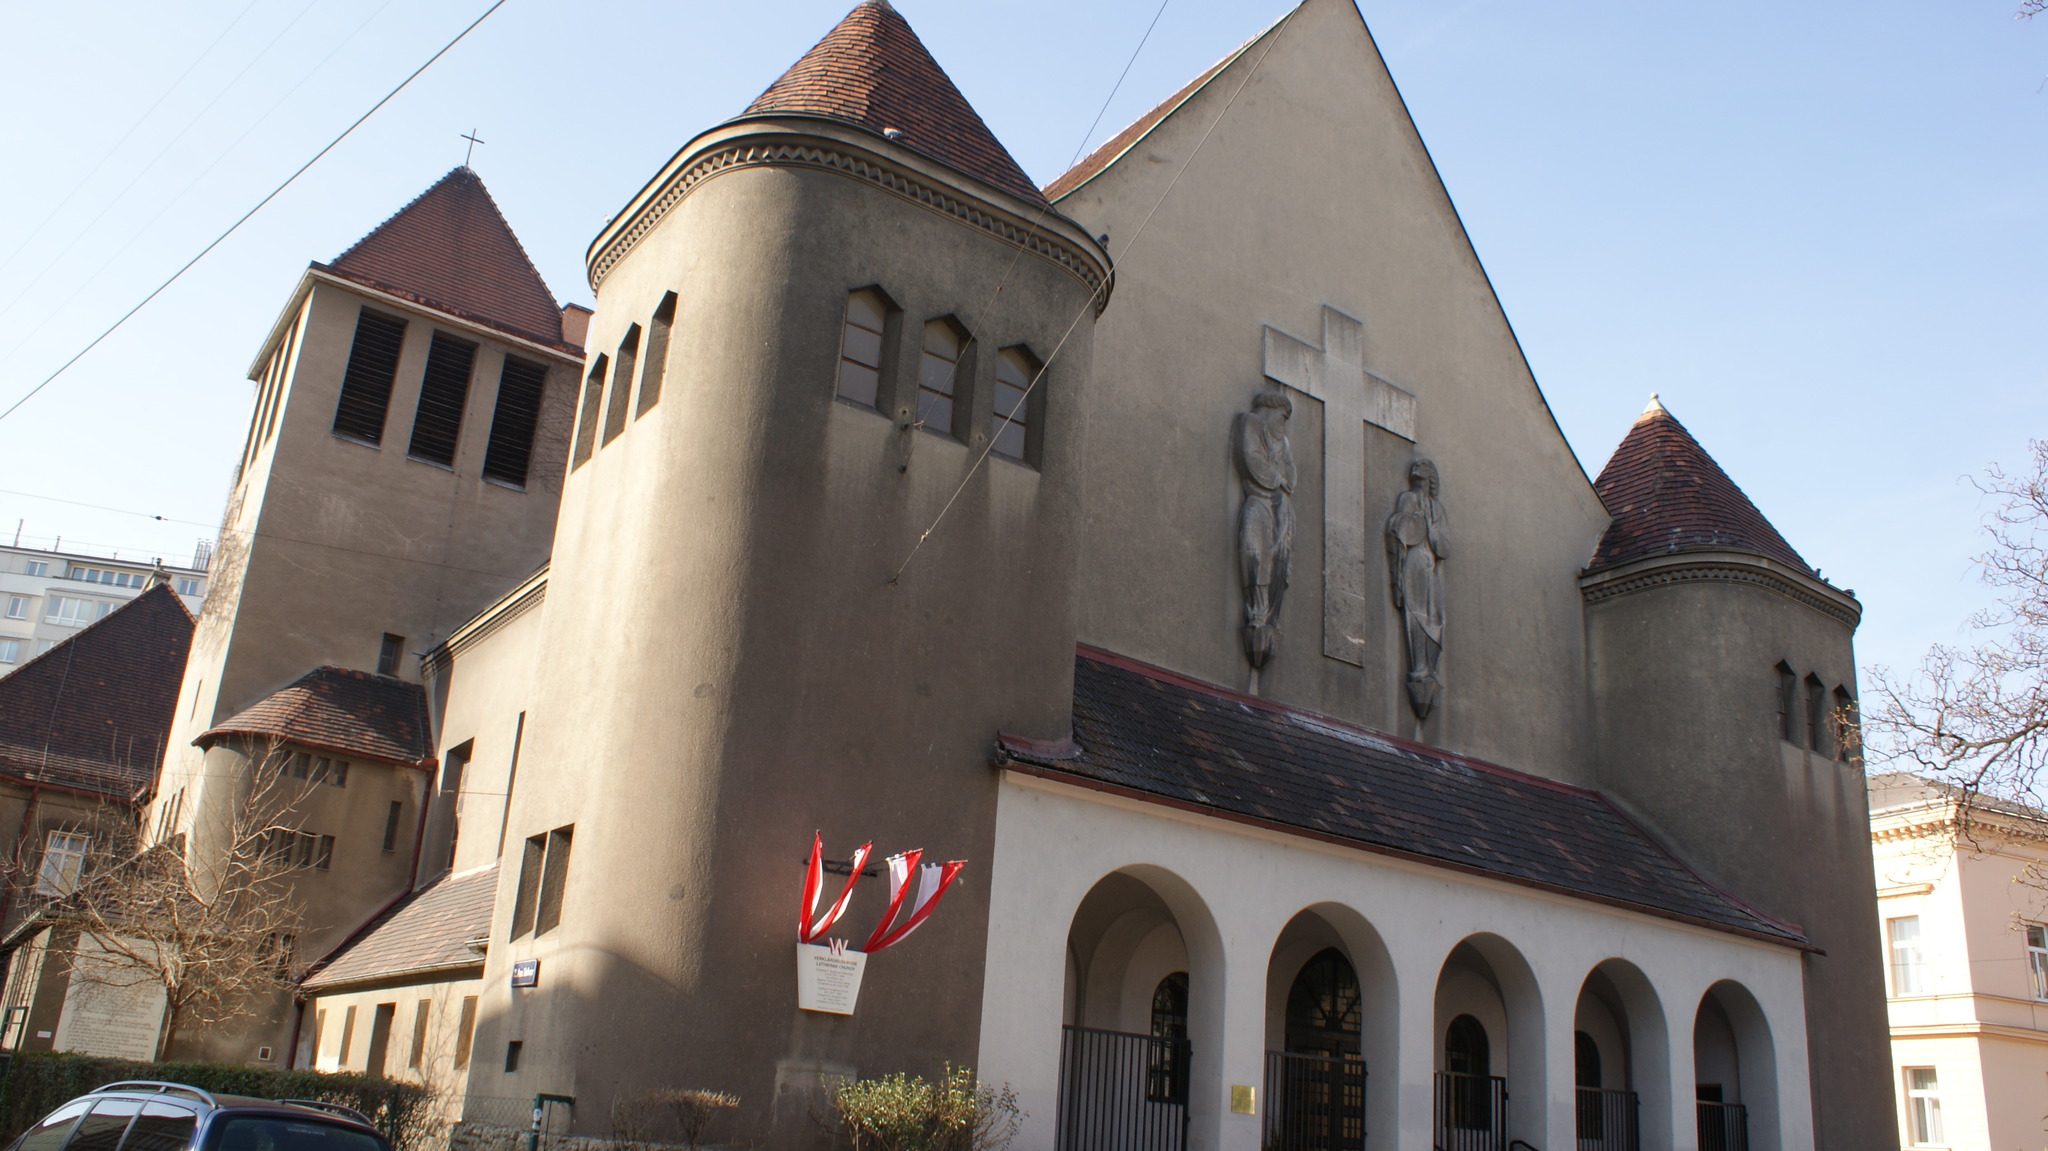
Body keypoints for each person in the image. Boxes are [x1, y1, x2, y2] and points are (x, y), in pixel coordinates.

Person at [1386, 457, 1447, 719]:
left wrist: (1432, 531)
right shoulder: (1407, 498)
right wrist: (1415, 523)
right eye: (1415, 468)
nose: (1415, 471)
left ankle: (1429, 669)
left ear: (1431, 476)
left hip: (1430, 565)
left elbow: (1444, 546)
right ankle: (1419, 669)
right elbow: (1400, 530)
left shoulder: (1438, 508)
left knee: (1435, 619)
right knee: (1416, 616)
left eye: (1422, 469)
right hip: (1413, 562)